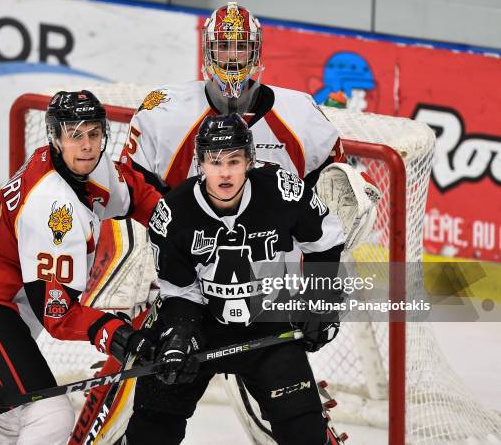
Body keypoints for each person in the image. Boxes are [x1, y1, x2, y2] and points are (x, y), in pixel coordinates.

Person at [83, 1, 379, 444]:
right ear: (207, 52)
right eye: (224, 48)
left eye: (240, 48)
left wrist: (320, 299)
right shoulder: (165, 114)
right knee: (147, 423)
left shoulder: (301, 118)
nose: (233, 59)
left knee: (298, 428)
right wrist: (174, 297)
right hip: (183, 295)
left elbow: (327, 215)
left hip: (268, 299)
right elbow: (134, 199)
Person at [0, 90, 160, 445]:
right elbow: (58, 317)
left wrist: (183, 224)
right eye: (74, 134)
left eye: (93, 133)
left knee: (12, 421)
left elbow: (137, 195)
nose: (86, 145)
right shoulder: (53, 207)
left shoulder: (80, 165)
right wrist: (118, 334)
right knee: (49, 415)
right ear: (55, 137)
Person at [124, 113, 345, 444]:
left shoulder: (283, 191)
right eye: (214, 162)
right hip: (203, 326)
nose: (224, 172)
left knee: (305, 433)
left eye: (234, 160)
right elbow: (178, 292)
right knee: (151, 425)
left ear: (250, 161)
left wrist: (321, 301)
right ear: (199, 163)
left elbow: (325, 241)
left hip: (270, 324)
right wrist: (179, 335)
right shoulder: (173, 213)